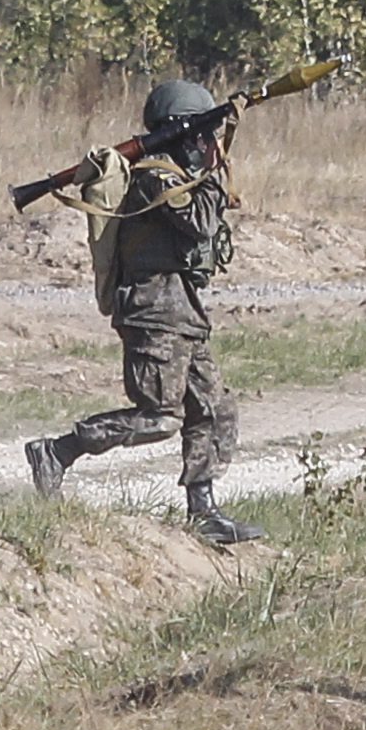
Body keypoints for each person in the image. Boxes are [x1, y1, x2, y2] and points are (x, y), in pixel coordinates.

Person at [22, 78, 262, 546]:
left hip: (182, 310)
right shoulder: (156, 173)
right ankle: (58, 451)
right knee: (160, 416)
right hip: (152, 310)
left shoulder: (180, 172)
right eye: (202, 133)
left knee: (214, 410)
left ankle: (203, 509)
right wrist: (211, 174)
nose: (207, 142)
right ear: (183, 131)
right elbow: (199, 224)